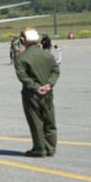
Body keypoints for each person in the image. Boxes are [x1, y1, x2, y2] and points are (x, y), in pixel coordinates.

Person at [14, 27, 60, 157]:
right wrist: (49, 84)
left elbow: (22, 77)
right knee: (49, 121)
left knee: (36, 122)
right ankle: (50, 148)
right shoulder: (47, 55)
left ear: (23, 40)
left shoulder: (21, 58)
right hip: (48, 92)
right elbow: (55, 71)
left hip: (32, 94)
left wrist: (35, 87)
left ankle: (40, 149)